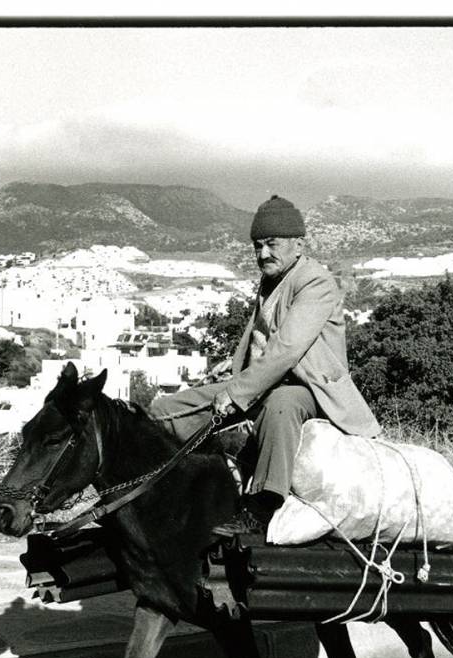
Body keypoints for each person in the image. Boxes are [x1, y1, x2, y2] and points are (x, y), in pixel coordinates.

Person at [149, 194, 380, 536]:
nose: (262, 254)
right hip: (263, 382)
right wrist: (232, 368)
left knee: (281, 405)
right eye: (257, 246)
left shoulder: (315, 282)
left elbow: (287, 349)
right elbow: (264, 339)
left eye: (271, 244)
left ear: (298, 244)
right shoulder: (273, 280)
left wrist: (237, 391)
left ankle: (263, 506)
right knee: (169, 410)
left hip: (308, 390)